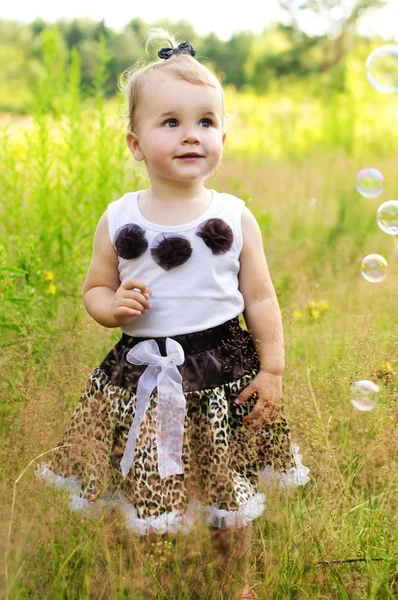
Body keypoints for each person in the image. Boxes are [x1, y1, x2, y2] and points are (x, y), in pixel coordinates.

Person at [36, 28, 310, 599]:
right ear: (136, 144)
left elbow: (260, 298)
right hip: (140, 375)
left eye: (206, 122)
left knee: (226, 492)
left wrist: (274, 370)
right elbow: (94, 289)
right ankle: (142, 576)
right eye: (172, 123)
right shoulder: (118, 217)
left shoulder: (234, 217)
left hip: (221, 371)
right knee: (139, 481)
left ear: (223, 136)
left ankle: (236, 582)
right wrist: (111, 308)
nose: (192, 136)